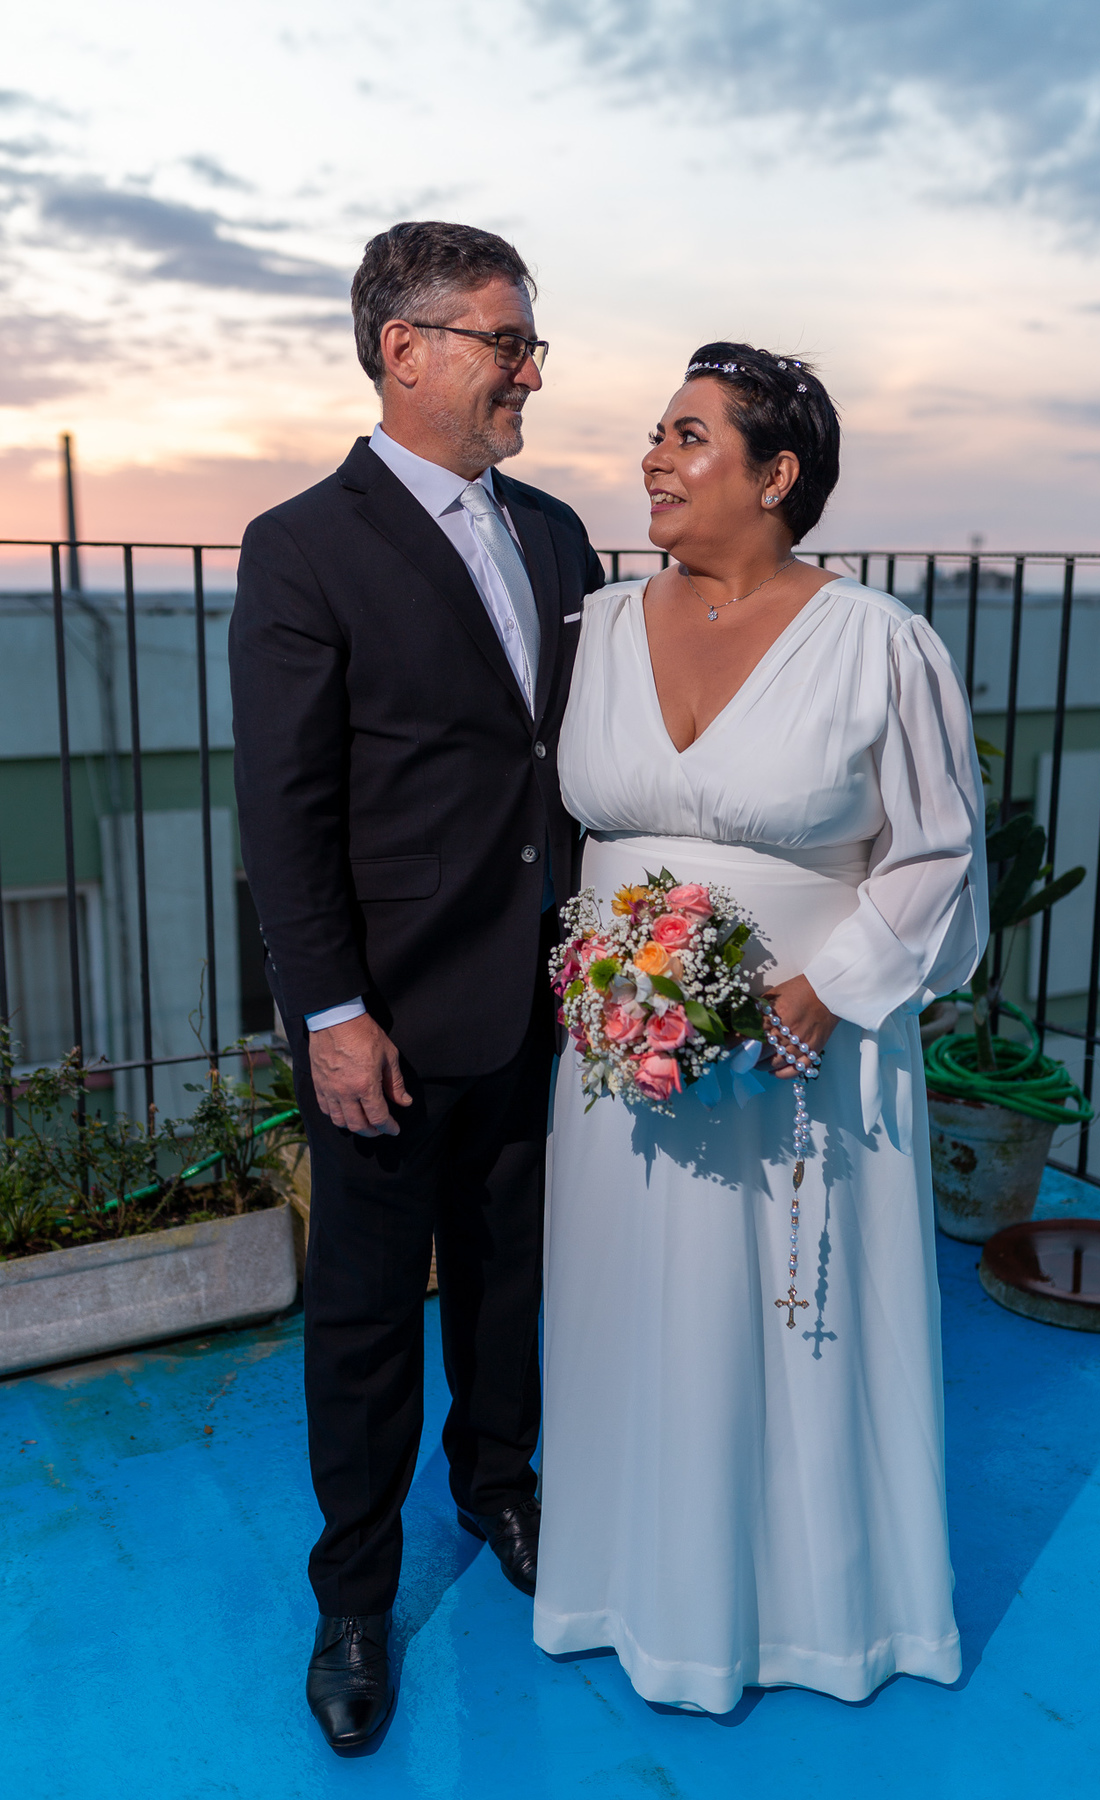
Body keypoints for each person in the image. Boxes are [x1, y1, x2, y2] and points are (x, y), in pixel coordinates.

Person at [533, 342, 987, 1713]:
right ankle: (625, 1589)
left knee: (800, 1328)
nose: (652, 459)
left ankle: (812, 1619)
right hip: (622, 1063)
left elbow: (938, 851)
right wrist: (610, 988)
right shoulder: (599, 626)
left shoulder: (882, 643)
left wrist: (826, 989)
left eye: (688, 436)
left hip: (807, 1060)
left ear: (777, 473)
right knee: (633, 1314)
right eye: (657, 434)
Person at [229, 220, 606, 1750]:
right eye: (507, 342)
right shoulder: (301, 546)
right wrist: (331, 1014)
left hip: (538, 1000)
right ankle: (355, 1599)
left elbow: (566, 763)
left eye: (528, 342)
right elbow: (285, 809)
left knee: (510, 1284)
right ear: (405, 348)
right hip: (383, 1022)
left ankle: (501, 1493)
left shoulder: (559, 534)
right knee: (369, 1323)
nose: (531, 371)